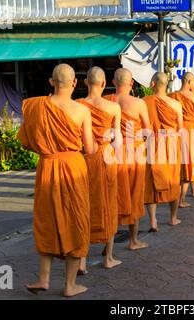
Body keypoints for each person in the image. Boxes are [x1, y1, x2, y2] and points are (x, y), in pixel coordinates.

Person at [18, 64, 96, 298]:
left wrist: (48, 149)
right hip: (74, 167)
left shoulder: (37, 107)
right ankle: (70, 285)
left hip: (47, 166)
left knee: (46, 219)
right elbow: (90, 149)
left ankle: (44, 279)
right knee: (77, 220)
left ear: (51, 82)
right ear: (74, 83)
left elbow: (26, 140)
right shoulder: (82, 111)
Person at [76, 67, 123, 269]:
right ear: (104, 84)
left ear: (85, 82)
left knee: (84, 204)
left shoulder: (77, 105)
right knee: (109, 203)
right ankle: (108, 258)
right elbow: (118, 140)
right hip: (105, 157)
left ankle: (82, 261)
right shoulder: (113, 108)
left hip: (83, 159)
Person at [104, 68, 151, 251]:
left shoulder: (107, 101)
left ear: (113, 82)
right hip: (134, 151)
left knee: (114, 194)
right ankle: (133, 240)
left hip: (113, 151)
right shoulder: (138, 103)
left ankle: (108, 241)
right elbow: (147, 129)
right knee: (135, 193)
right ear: (131, 83)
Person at [142, 72, 183, 232]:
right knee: (173, 180)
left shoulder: (144, 102)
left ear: (153, 84)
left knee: (151, 182)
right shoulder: (175, 104)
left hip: (151, 143)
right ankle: (173, 218)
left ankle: (153, 221)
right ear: (166, 85)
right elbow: (180, 129)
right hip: (171, 144)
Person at [169, 72, 194, 207]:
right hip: (191, 130)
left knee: (179, 163)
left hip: (177, 131)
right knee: (189, 165)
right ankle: (181, 199)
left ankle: (176, 197)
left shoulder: (172, 97)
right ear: (188, 82)